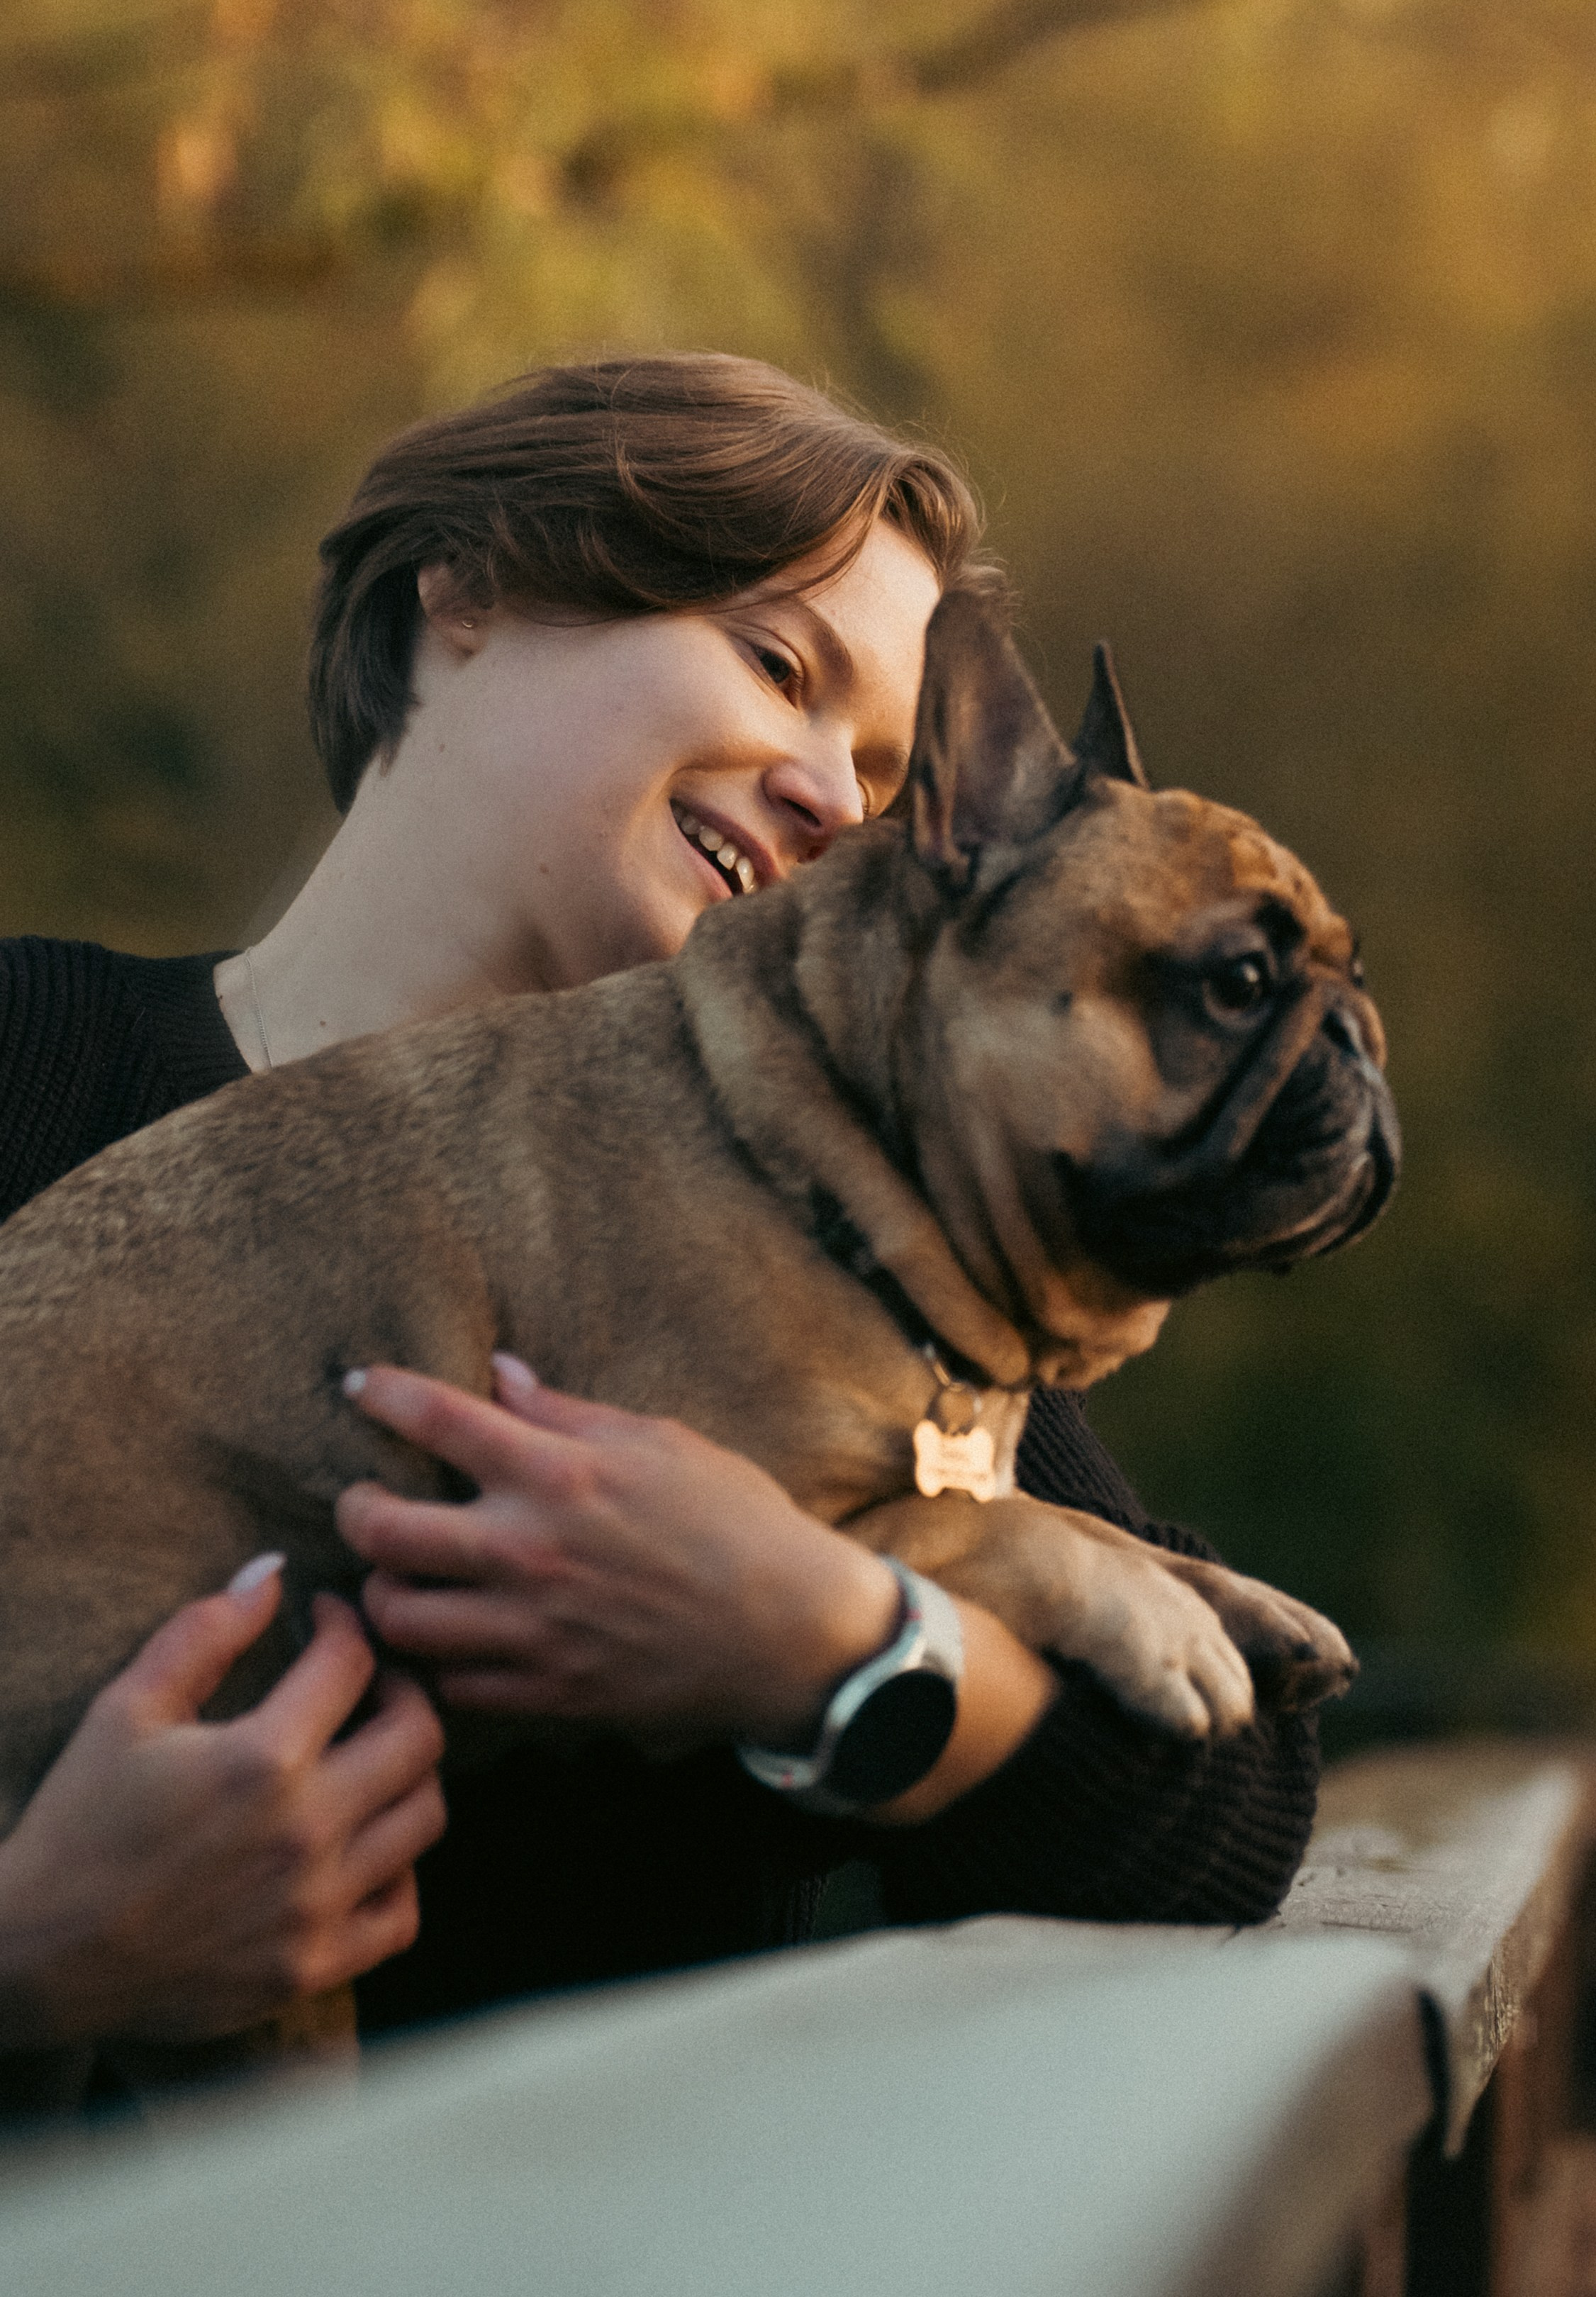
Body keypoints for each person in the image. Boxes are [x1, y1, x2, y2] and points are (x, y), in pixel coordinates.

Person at [0, 354, 1319, 2079]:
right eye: (779, 665)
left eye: (884, 770)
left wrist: (835, 1642)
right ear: (462, 587)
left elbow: (1228, 1802)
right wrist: (34, 1950)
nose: (835, 802)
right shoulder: (33, 1057)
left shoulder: (847, 1232)